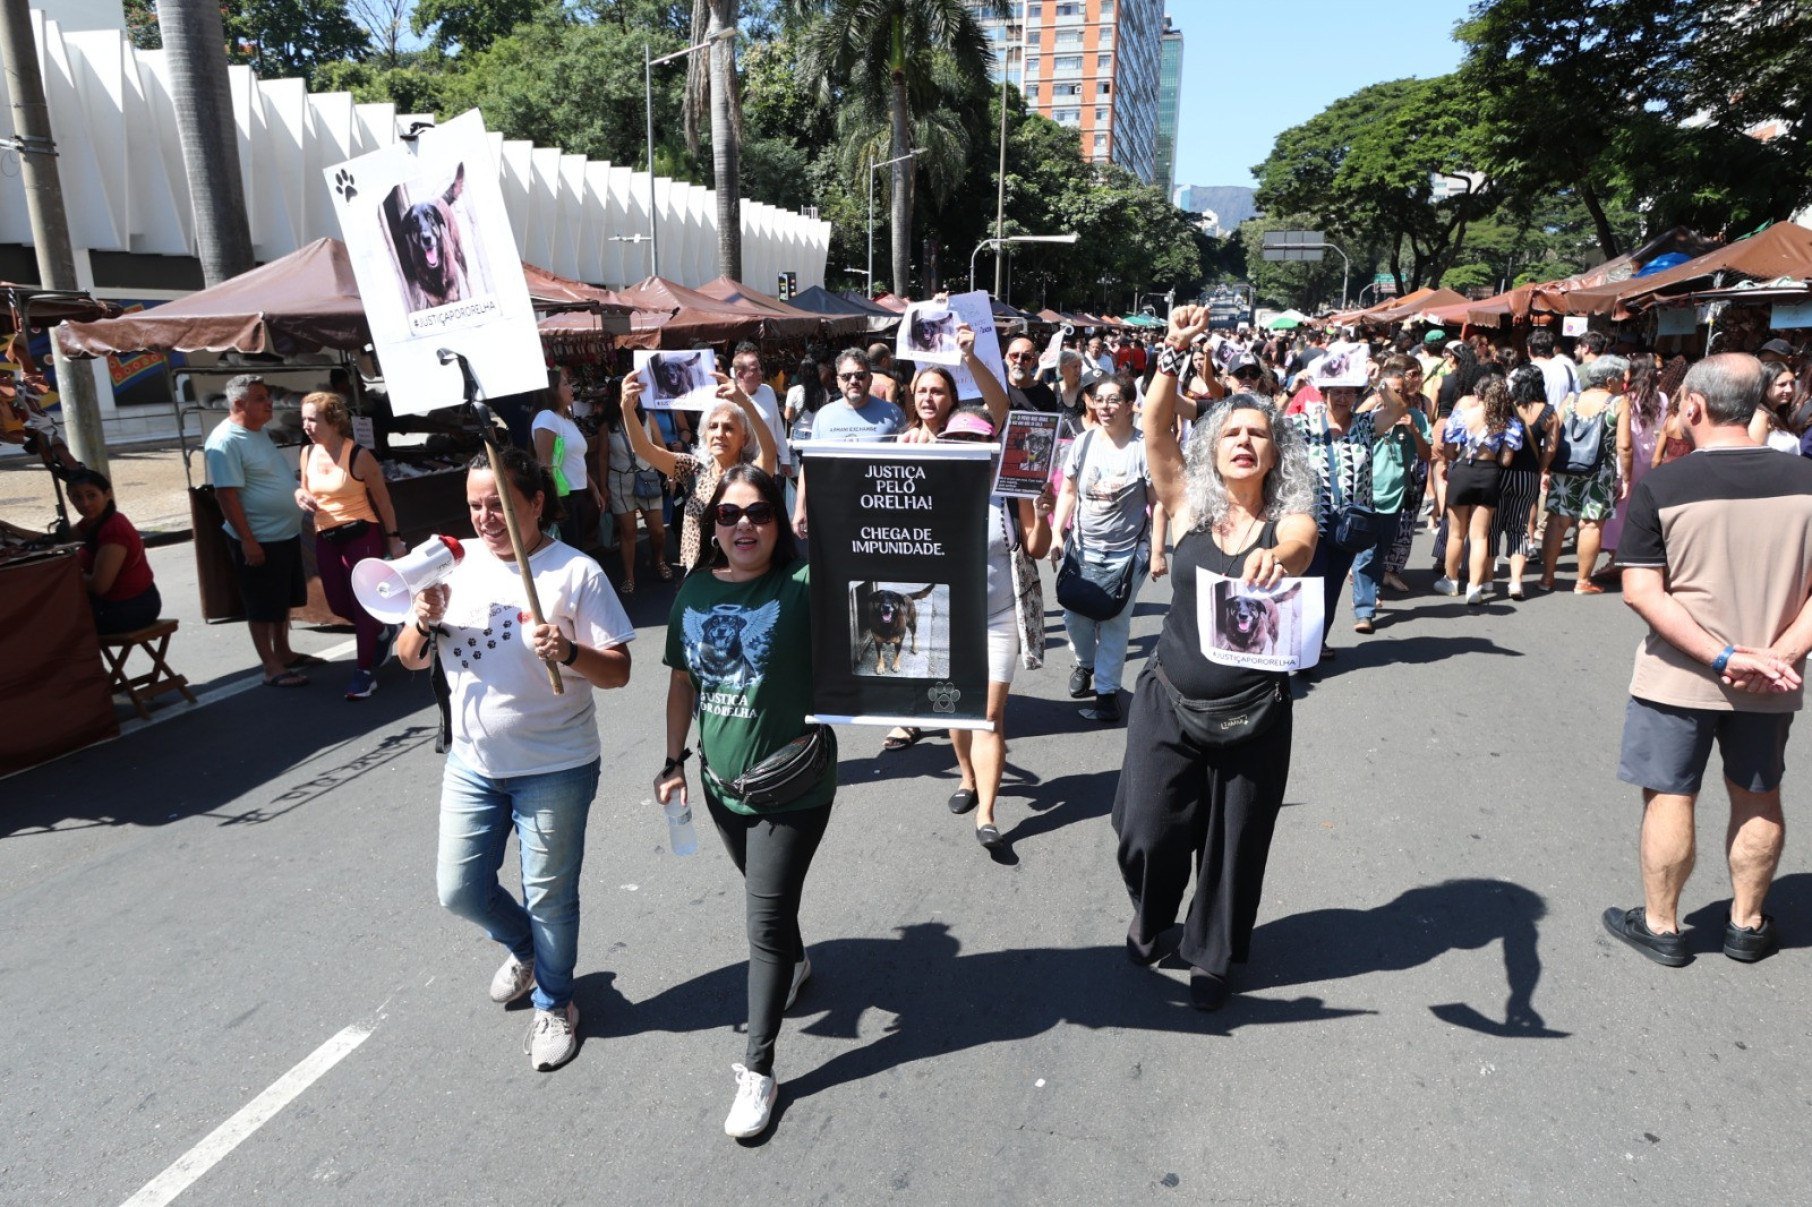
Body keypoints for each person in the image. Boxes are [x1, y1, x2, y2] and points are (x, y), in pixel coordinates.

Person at [394, 445, 633, 1071]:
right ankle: (529, 949)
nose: (484, 518)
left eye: (497, 503)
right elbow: (409, 658)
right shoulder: (448, 563)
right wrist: (421, 620)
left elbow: (620, 672)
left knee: (550, 894)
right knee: (459, 888)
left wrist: (572, 652)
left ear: (534, 502)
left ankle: (556, 1001)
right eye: (474, 505)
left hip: (556, 763)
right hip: (472, 763)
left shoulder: (575, 572)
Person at [1114, 303, 1318, 1010]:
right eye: (1230, 431)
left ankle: (1213, 954)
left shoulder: (1289, 513)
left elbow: (1300, 544)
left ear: (1273, 452)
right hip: (1168, 695)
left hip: (1254, 711)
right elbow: (1153, 428)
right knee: (1146, 826)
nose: (1242, 440)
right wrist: (1170, 353)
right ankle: (1153, 912)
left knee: (1234, 845)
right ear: (1212, 446)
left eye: (1257, 433)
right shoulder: (1189, 501)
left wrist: (1275, 556)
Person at [1603, 353, 1812, 968]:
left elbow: (1642, 590)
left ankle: (1662, 926)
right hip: (1774, 679)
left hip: (1680, 675)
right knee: (1758, 792)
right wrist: (1778, 654)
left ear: (1692, 406)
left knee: (1670, 795)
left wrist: (1723, 655)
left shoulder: (1663, 486)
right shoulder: (1806, 481)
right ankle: (1747, 924)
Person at [658, 464, 836, 1139]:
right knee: (772, 906)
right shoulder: (695, 590)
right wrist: (673, 761)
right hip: (719, 786)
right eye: (728, 514)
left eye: (757, 512)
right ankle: (797, 960)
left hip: (793, 788)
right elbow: (681, 683)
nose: (742, 525)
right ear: (711, 526)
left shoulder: (803, 585)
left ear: (777, 520)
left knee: (761, 924)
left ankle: (759, 1070)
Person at [936, 405, 1053, 847]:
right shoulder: (934, 490)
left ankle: (986, 812)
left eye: (975, 443)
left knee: (988, 715)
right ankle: (967, 776)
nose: (966, 451)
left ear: (992, 448)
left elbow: (1037, 548)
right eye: (957, 443)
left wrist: (1039, 511)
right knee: (954, 707)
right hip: (948, 619)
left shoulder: (1009, 490)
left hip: (1001, 615)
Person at [1051, 373, 1167, 722]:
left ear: (1131, 405)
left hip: (1126, 553)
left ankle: (1106, 693)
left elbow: (1157, 504)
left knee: (1115, 622)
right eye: (1099, 399)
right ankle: (1085, 664)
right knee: (1075, 615)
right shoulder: (1083, 443)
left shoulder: (1143, 448)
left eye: (1114, 399)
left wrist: (1158, 551)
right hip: (1082, 548)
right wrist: (1058, 533)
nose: (1105, 406)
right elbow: (1068, 492)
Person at [295, 391, 407, 699]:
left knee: (361, 604)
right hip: (326, 535)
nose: (306, 425)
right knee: (337, 604)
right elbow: (304, 488)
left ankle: (364, 672)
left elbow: (383, 499)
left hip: (361, 532)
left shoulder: (358, 455)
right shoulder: (306, 454)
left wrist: (394, 539)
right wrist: (300, 496)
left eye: (312, 419)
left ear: (332, 421)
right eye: (303, 419)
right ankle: (383, 631)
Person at [205, 374, 312, 687]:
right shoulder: (225, 441)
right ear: (239, 404)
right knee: (263, 605)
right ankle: (271, 667)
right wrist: (248, 541)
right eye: (261, 399)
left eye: (268, 397)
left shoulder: (258, 432)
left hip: (284, 533)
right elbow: (226, 495)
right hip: (258, 537)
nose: (269, 403)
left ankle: (285, 653)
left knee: (281, 600)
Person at [622, 371, 778, 574]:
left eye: (729, 428)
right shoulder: (691, 468)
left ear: (744, 438)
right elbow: (644, 449)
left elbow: (769, 452)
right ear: (704, 434)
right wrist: (626, 408)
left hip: (740, 576)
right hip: (697, 575)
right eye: (713, 427)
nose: (720, 433)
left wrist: (745, 402)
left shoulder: (749, 475)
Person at [1290, 354, 1375, 650]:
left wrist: (1377, 382)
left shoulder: (1365, 424)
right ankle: (1300, 644)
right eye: (1336, 391)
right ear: (1324, 394)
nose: (1343, 397)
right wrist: (1291, 391)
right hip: (1312, 523)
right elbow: (1271, 427)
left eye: (1349, 391)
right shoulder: (1304, 424)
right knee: (1309, 586)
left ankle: (1316, 642)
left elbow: (1398, 408)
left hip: (1350, 525)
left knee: (1332, 587)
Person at [1351, 353, 1431, 633]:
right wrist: (1373, 401)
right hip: (1366, 493)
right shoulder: (1368, 415)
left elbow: (1426, 454)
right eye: (1390, 391)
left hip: (1395, 496)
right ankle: (1365, 611)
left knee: (1381, 551)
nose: (1396, 397)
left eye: (1400, 392)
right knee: (1367, 553)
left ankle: (1369, 588)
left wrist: (1413, 431)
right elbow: (1350, 436)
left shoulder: (1416, 416)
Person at [1541, 355, 1627, 593]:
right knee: (1590, 524)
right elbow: (1624, 446)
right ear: (1610, 380)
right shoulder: (1618, 403)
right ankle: (1582, 581)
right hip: (1600, 472)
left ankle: (1547, 578)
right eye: (1621, 379)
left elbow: (1552, 433)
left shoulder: (1570, 400)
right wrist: (1626, 478)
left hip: (1565, 467)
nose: (1623, 384)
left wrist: (1546, 466)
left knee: (1557, 522)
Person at [1437, 371, 1524, 606]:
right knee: (1480, 535)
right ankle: (1474, 587)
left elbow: (1449, 452)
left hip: (1463, 470)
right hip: (1489, 474)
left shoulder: (1461, 416)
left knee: (1456, 533)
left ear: (1478, 393)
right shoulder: (1509, 422)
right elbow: (1506, 460)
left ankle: (1451, 580)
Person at [596, 385, 672, 592]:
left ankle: (659, 560)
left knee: (658, 530)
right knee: (628, 531)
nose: (634, 399)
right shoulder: (608, 426)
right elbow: (603, 457)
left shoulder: (647, 418)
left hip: (647, 477)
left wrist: (671, 473)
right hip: (620, 481)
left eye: (636, 395)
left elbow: (661, 448)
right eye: (629, 395)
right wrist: (603, 487)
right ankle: (629, 576)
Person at [68, 469, 161, 634]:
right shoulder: (92, 521)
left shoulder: (114, 529)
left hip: (130, 608)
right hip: (113, 605)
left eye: (91, 496)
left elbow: (99, 585)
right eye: (77, 498)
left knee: (54, 623)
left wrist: (66, 574)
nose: (85, 503)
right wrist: (11, 530)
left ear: (107, 494)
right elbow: (57, 539)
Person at [1493, 365, 1557, 601]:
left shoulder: (1508, 407)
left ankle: (1487, 577)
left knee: (1493, 525)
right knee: (1519, 529)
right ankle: (1516, 582)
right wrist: (1539, 467)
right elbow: (1550, 448)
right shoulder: (1549, 412)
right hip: (1528, 475)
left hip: (1502, 472)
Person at [1600, 358, 1666, 570]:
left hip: (1627, 461)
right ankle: (1637, 554)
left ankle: (1615, 557)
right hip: (1652, 460)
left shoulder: (1624, 400)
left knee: (1618, 510)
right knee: (1643, 511)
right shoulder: (1662, 398)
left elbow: (1622, 439)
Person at [532, 367, 602, 554]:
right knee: (572, 551)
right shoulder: (546, 418)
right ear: (551, 390)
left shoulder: (566, 420)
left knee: (578, 548)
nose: (571, 387)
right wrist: (555, 504)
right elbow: (545, 465)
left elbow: (576, 461)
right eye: (565, 383)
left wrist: (593, 488)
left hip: (578, 495)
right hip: (564, 498)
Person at [731, 342, 795, 481]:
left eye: (760, 368)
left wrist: (785, 459)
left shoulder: (767, 391)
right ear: (740, 374)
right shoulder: (730, 398)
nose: (760, 373)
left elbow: (778, 426)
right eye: (755, 369)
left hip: (770, 470)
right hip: (743, 473)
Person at [1747, 361, 1800, 453]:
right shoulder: (1759, 417)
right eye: (1782, 384)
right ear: (1765, 386)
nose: (1789, 390)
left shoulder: (1779, 415)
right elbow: (1752, 457)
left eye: (1792, 383)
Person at [1004, 336, 1059, 413]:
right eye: (1015, 356)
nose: (1019, 361)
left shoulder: (1046, 395)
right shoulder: (995, 386)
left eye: (1025, 357)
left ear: (1033, 362)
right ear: (1007, 358)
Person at [1527, 328, 1578, 410]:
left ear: (1529, 349)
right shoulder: (1568, 369)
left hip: (1532, 422)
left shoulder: (1519, 373)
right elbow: (1577, 396)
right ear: (1553, 349)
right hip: (1562, 420)